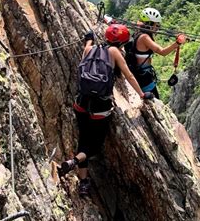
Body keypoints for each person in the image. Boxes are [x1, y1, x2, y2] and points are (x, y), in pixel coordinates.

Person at [58, 23, 154, 196]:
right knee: (94, 146)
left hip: (81, 102)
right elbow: (128, 75)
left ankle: (84, 182)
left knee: (83, 140)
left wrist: (89, 39)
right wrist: (142, 94)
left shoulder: (90, 49)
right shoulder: (115, 52)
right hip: (100, 107)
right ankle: (74, 162)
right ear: (123, 42)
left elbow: (86, 48)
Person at [125, 7, 186, 99]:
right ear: (150, 23)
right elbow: (162, 52)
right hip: (144, 78)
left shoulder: (138, 32)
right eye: (156, 24)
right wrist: (177, 43)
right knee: (155, 100)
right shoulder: (144, 37)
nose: (157, 27)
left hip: (139, 74)